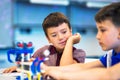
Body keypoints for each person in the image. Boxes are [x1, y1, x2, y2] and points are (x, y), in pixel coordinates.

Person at [41, 2, 120, 80]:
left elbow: (109, 74)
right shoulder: (110, 56)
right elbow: (82, 67)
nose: (97, 36)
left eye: (103, 30)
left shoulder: (79, 53)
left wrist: (59, 75)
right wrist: (47, 69)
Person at [3, 12, 86, 73]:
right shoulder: (43, 51)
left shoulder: (79, 53)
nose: (60, 37)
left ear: (70, 32)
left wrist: (70, 41)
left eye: (64, 32)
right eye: (54, 35)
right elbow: (29, 64)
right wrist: (19, 67)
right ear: (48, 39)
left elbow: (65, 70)